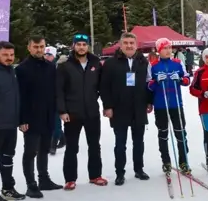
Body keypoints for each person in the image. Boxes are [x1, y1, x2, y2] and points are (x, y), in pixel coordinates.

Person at [100, 32, 153, 186]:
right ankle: (120, 172)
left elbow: (149, 83)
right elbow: (104, 87)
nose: (129, 46)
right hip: (119, 109)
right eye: (126, 43)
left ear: (136, 45)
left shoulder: (143, 61)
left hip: (138, 108)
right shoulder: (110, 63)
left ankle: (139, 169)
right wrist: (107, 106)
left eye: (132, 43)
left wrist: (149, 102)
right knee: (120, 144)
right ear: (120, 45)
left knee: (139, 142)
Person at [56, 34, 106, 190]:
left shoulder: (96, 63)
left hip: (91, 112)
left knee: (94, 145)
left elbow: (101, 87)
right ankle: (70, 179)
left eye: (84, 44)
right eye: (79, 44)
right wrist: (62, 110)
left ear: (88, 46)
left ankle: (95, 175)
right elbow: (59, 90)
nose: (82, 47)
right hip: (72, 113)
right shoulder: (65, 65)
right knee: (72, 147)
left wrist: (104, 103)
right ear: (73, 46)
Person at [16, 36, 62, 199]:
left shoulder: (50, 67)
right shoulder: (22, 69)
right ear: (29, 48)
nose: (39, 50)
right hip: (30, 118)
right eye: (36, 47)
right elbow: (19, 97)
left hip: (48, 115)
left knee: (44, 149)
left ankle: (44, 179)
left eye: (41, 47)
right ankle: (31, 184)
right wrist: (21, 120)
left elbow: (54, 91)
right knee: (30, 152)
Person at [148, 38, 192, 174]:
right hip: (161, 105)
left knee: (180, 133)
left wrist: (179, 79)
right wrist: (155, 81)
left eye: (169, 48)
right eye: (164, 48)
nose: (168, 51)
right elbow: (148, 85)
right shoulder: (153, 65)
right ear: (159, 50)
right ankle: (166, 161)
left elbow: (187, 80)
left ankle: (183, 162)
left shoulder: (178, 63)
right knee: (163, 134)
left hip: (175, 104)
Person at [0, 42, 25, 201]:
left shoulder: (12, 71)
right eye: (5, 55)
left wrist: (19, 120)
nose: (9, 58)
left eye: (11, 55)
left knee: (7, 159)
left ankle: (8, 188)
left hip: (10, 124)